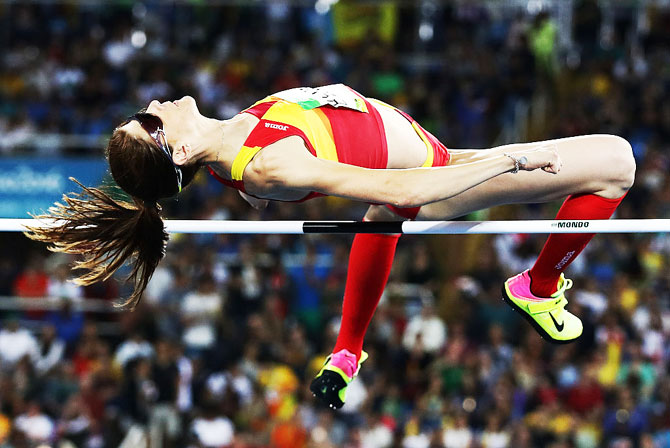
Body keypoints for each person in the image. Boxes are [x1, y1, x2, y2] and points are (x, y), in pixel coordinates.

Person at [27, 84, 635, 409]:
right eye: (150, 121)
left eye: (144, 112)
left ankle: (347, 352)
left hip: (431, 153)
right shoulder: (266, 163)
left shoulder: (230, 145)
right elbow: (400, 187)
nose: (155, 105)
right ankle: (538, 286)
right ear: (178, 153)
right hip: (438, 178)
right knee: (616, 162)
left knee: (379, 219)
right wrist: (510, 158)